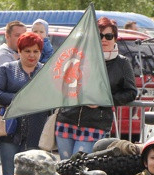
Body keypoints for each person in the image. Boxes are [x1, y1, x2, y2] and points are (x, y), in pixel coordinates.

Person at [54, 17, 137, 159]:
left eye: (108, 36)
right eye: (99, 36)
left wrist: (102, 100)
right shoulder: (81, 57)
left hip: (95, 123)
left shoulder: (122, 63)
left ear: (115, 39)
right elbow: (63, 82)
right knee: (64, 166)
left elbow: (131, 92)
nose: (104, 39)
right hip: (67, 118)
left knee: (79, 166)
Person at [0, 31, 46, 175]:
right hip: (8, 131)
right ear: (19, 51)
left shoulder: (45, 72)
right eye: (27, 51)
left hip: (36, 132)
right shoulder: (6, 69)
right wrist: (20, 99)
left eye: (36, 51)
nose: (31, 55)